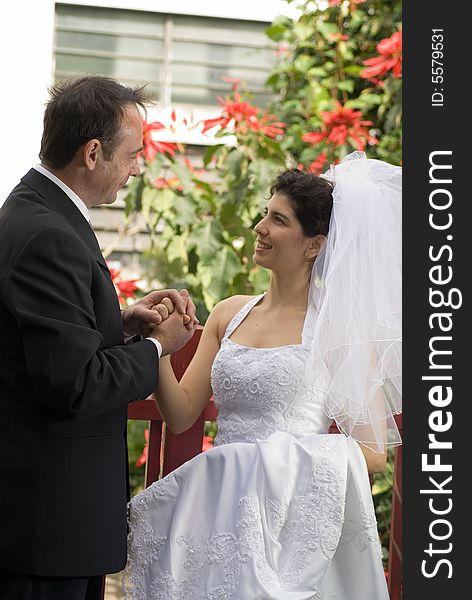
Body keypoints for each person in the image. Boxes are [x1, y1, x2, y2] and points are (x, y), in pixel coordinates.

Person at [124, 151, 402, 599]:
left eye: (279, 220)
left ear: (314, 244)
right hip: (219, 514)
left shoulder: (336, 331)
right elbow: (180, 415)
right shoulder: (227, 313)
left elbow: (372, 454)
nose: (261, 227)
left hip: (288, 527)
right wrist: (160, 346)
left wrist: (266, 460)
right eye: (264, 213)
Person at [0, 75, 198, 600]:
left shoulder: (37, 212)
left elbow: (44, 344)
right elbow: (74, 384)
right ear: (92, 152)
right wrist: (159, 348)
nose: (139, 167)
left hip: (47, 526)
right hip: (46, 528)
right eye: (133, 154)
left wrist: (120, 322)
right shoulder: (49, 234)